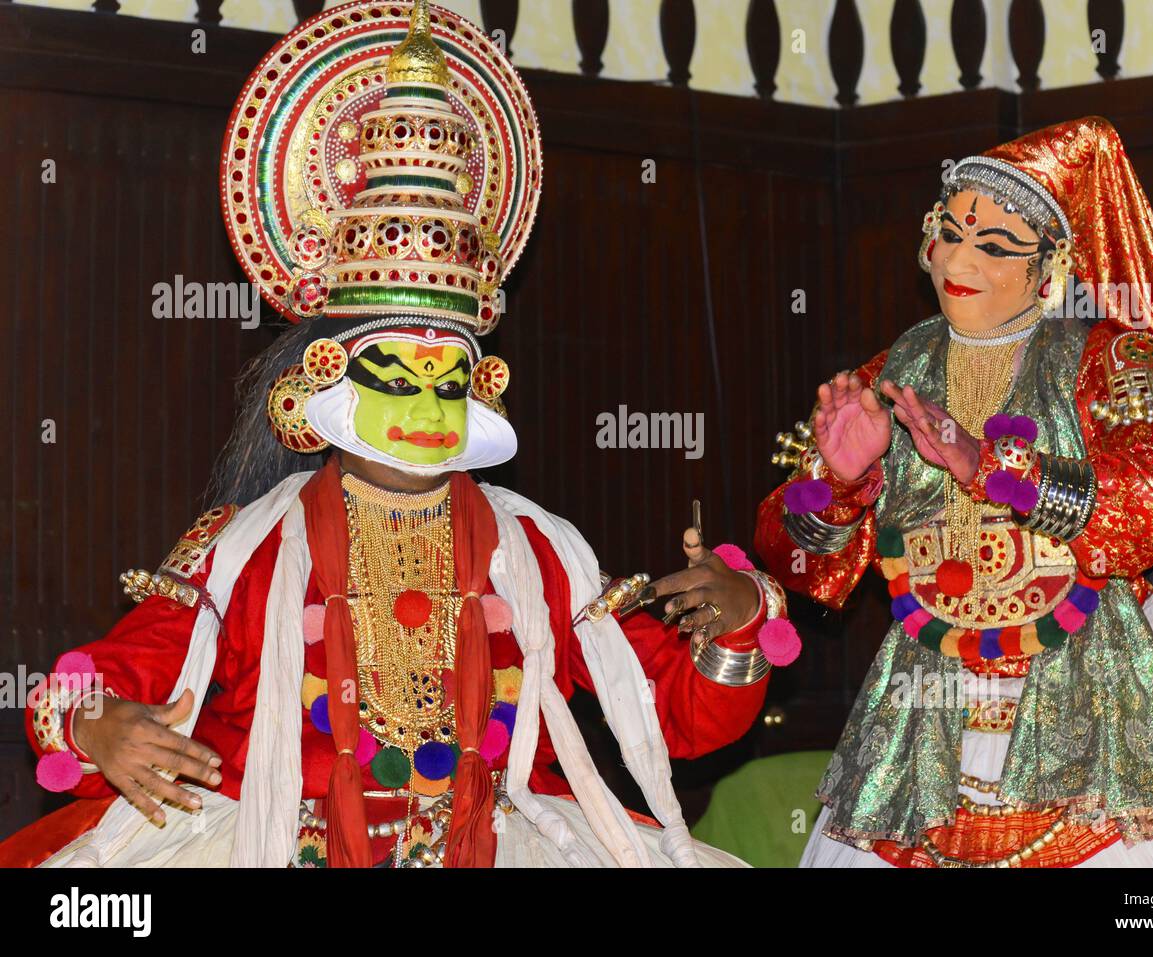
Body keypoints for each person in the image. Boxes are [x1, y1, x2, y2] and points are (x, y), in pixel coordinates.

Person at [1, 0, 785, 869]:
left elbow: (679, 715)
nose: (425, 401)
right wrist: (94, 719)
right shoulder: (244, 549)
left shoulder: (536, 553)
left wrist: (741, 623)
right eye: (394, 373)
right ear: (326, 376)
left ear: (483, 386)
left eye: (446, 374)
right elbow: (90, 675)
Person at [755, 116, 1153, 867]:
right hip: (926, 704)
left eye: (993, 244)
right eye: (949, 232)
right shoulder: (896, 370)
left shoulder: (1118, 357)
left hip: (1099, 698)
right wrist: (839, 484)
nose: (958, 256)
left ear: (1051, 267)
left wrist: (995, 471)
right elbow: (795, 561)